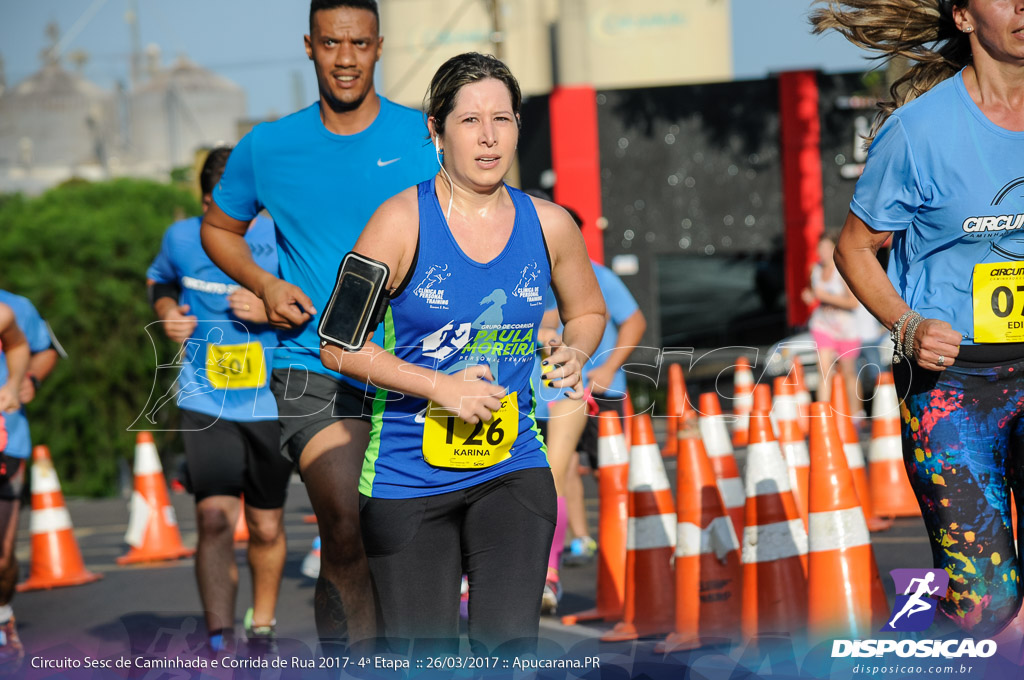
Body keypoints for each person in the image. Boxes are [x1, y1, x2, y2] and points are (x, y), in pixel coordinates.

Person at [320, 52, 605, 655]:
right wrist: (440, 386)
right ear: (436, 130)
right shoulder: (399, 222)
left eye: (502, 119)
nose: (488, 137)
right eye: (470, 121)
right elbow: (337, 344)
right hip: (407, 478)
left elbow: (588, 312)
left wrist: (576, 351)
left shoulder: (550, 225)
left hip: (512, 468)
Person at [200, 0, 436, 650]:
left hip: (413, 365)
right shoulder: (269, 146)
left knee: (401, 531)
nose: (346, 59)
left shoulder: (424, 138)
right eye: (331, 44)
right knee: (342, 520)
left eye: (359, 44)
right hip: (310, 364)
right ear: (309, 46)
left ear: (379, 46)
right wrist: (265, 283)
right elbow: (218, 229)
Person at [814, 0, 1024, 637]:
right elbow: (853, 248)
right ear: (962, 17)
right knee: (987, 606)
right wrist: (906, 326)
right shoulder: (917, 133)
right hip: (953, 393)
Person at [147, 147, 294, 655]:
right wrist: (168, 311)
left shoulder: (279, 237)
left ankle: (263, 624)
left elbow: (318, 308)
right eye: (218, 203)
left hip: (271, 402)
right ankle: (217, 636)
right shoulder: (183, 237)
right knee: (212, 518)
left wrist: (268, 308)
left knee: (265, 523)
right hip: (205, 400)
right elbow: (160, 279)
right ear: (207, 198)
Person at [533, 207, 647, 613]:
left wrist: (605, 368)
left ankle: (641, 547)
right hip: (539, 395)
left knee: (612, 476)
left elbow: (635, 322)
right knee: (558, 475)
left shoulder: (599, 276)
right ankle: (566, 552)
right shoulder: (528, 276)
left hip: (596, 389)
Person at [0, 293, 52, 673]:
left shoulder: (9, 308)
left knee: (1, 558)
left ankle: (2, 615)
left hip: (6, 440)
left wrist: (20, 381)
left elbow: (36, 348)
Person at [800, 232, 861, 412]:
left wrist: (825, 297)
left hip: (845, 327)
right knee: (824, 372)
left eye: (827, 248)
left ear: (835, 249)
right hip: (823, 325)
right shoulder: (815, 269)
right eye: (821, 248)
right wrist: (810, 297)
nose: (823, 252)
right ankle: (824, 414)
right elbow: (813, 293)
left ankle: (856, 414)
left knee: (849, 373)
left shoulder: (842, 271)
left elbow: (853, 302)